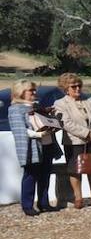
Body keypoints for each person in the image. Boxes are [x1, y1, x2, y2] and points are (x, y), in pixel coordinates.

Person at [8, 79, 59, 217]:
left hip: (47, 145)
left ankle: (44, 203)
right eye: (31, 90)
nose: (34, 92)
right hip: (33, 148)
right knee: (30, 176)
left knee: (45, 176)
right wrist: (38, 134)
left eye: (34, 90)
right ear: (21, 92)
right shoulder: (15, 109)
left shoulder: (37, 106)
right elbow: (20, 130)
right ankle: (27, 206)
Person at [53, 73, 91, 208]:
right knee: (74, 170)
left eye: (79, 85)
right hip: (74, 141)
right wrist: (86, 133)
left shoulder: (90, 100)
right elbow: (66, 123)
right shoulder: (60, 104)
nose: (77, 89)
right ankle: (78, 198)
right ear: (66, 89)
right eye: (73, 86)